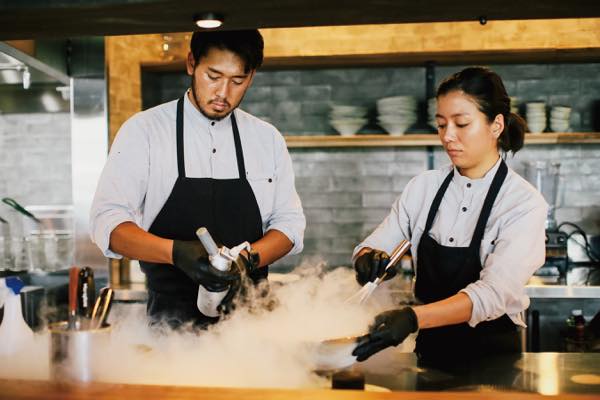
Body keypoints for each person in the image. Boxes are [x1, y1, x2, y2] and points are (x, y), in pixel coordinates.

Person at [89, 30, 305, 328]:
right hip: (171, 334)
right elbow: (107, 223)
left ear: (251, 76)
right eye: (213, 76)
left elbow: (290, 226)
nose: (223, 93)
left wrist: (247, 260)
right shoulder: (145, 131)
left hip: (254, 335)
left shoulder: (266, 139)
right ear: (192, 63)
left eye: (237, 81)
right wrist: (175, 253)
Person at [351, 67, 547, 365]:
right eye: (441, 125)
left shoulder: (522, 203)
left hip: (492, 364)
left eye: (462, 123)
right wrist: (367, 257)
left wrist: (412, 318)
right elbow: (378, 242)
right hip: (429, 355)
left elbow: (492, 293)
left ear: (496, 125)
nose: (448, 137)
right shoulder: (423, 188)